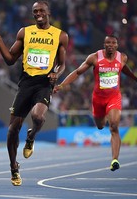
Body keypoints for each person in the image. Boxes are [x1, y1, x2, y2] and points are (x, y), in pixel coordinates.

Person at [0, 0, 69, 186]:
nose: (38, 13)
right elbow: (10, 60)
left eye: (41, 11)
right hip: (26, 83)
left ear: (49, 13)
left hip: (44, 83)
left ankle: (31, 136)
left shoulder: (60, 35)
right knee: (12, 129)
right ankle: (14, 167)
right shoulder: (25, 32)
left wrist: (57, 74)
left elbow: (62, 64)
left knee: (38, 117)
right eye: (35, 11)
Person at [54, 35, 137, 171]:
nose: (110, 45)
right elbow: (78, 72)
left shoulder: (122, 57)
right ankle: (104, 116)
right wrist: (62, 85)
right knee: (100, 126)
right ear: (104, 45)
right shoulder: (94, 58)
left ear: (117, 45)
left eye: (113, 43)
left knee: (114, 126)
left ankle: (115, 159)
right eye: (107, 43)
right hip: (98, 99)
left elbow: (124, 68)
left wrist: (134, 78)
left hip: (114, 98)